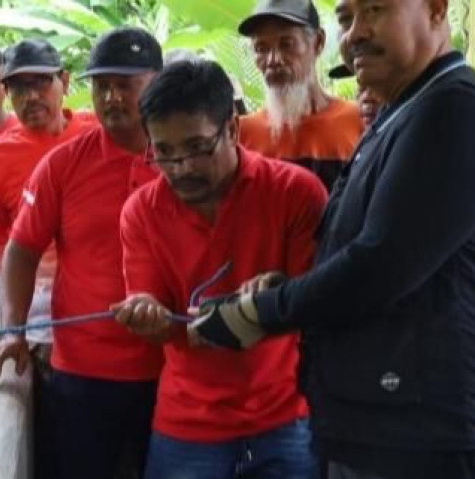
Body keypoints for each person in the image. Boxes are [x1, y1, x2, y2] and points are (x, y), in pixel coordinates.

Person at [186, 1, 475, 478]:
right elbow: (365, 248)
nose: (356, 33)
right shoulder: (402, 111)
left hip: (413, 431)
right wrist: (286, 286)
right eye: (346, 18)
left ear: (437, 10)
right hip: (372, 416)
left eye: (375, 10)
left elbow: (379, 267)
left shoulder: (452, 108)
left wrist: (261, 312)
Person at [112, 59, 326, 479]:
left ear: (232, 128)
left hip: (287, 415)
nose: (182, 168)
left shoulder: (295, 193)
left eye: (196, 147)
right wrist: (146, 314)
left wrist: (279, 296)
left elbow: (317, 304)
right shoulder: (141, 212)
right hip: (188, 424)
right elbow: (156, 308)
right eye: (165, 153)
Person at [0, 27, 163, 479]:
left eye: (125, 85)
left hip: (172, 370)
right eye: (103, 86)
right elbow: (18, 250)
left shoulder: (186, 156)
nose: (113, 97)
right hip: (82, 374)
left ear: (156, 83)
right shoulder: (63, 165)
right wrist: (14, 330)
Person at [0, 39, 96, 346]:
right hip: (37, 324)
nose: (30, 97)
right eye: (17, 88)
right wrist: (16, 319)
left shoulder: (98, 135)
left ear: (64, 82)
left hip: (101, 313)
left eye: (41, 83)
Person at [238, 0, 362, 190]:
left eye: (286, 44)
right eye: (261, 49)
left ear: (318, 42)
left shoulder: (360, 122)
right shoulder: (241, 134)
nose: (273, 60)